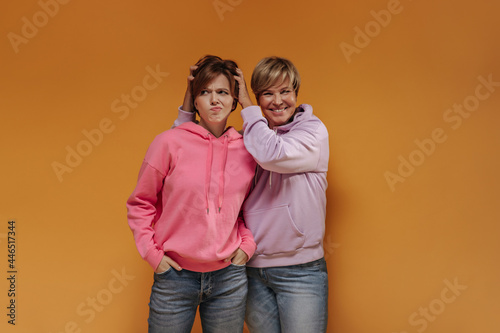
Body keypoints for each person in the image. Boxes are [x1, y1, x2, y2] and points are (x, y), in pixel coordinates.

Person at [176, 56, 330, 333]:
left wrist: (247, 105)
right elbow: (185, 152)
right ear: (259, 98)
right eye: (267, 94)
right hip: (249, 267)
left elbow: (272, 154)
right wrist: (190, 99)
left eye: (285, 91)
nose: (278, 101)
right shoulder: (249, 138)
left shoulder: (312, 133)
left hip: (301, 271)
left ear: (296, 93)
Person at [127, 55, 257, 333]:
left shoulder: (249, 148)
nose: (214, 100)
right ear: (194, 101)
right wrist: (152, 255)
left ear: (234, 101)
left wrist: (246, 246)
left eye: (222, 92)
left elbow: (248, 208)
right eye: (205, 92)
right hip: (175, 277)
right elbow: (141, 203)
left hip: (229, 279)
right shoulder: (168, 143)